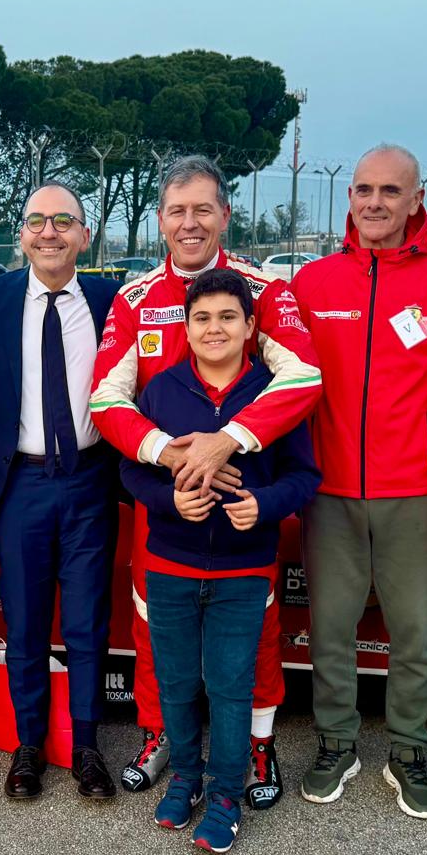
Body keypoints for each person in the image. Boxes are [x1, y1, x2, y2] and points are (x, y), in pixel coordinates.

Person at [89, 154, 321, 805]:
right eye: (177, 211)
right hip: (168, 514)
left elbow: (304, 376)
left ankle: (256, 741)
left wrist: (229, 441)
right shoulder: (134, 299)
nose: (190, 222)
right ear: (161, 219)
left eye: (203, 209)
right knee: (150, 625)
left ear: (224, 213)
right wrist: (167, 455)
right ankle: (164, 733)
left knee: (260, 631)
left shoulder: (264, 289)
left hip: (248, 519)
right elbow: (106, 401)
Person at [288, 144, 427, 817]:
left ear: (416, 200)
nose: (374, 202)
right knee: (332, 630)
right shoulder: (311, 283)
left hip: (416, 494)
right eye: (363, 189)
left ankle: (407, 748)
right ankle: (337, 743)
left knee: (414, 634)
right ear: (349, 198)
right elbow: (283, 389)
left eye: (389, 191)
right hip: (331, 493)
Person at [120, 269, 321, 853]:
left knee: (231, 686)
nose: (215, 328)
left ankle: (227, 794)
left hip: (243, 568)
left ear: (251, 326)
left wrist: (262, 507)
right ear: (186, 328)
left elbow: (304, 477)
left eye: (228, 317)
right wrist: (170, 498)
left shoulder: (273, 394)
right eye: (202, 317)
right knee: (179, 682)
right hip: (171, 566)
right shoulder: (160, 392)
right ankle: (185, 778)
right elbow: (130, 471)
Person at [0, 183, 121, 800]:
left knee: (86, 625)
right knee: (25, 624)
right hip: (19, 484)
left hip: (89, 480)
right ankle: (29, 747)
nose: (49, 232)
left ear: (85, 235)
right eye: (36, 221)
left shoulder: (113, 300)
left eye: (63, 221)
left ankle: (85, 747)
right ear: (21, 235)